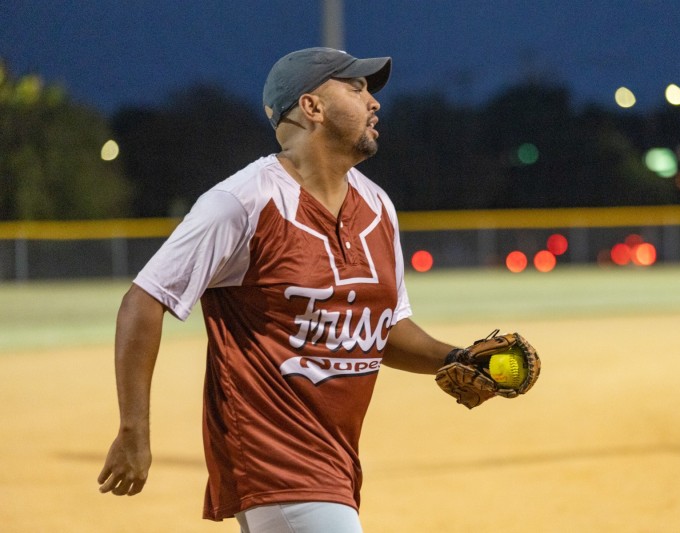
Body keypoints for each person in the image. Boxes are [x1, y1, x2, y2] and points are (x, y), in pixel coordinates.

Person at [97, 47, 457, 533]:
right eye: (356, 88)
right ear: (312, 107)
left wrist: (455, 359)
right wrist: (133, 430)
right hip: (274, 463)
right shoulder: (241, 202)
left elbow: (383, 330)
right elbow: (145, 299)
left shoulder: (378, 206)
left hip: (337, 463)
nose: (373, 102)